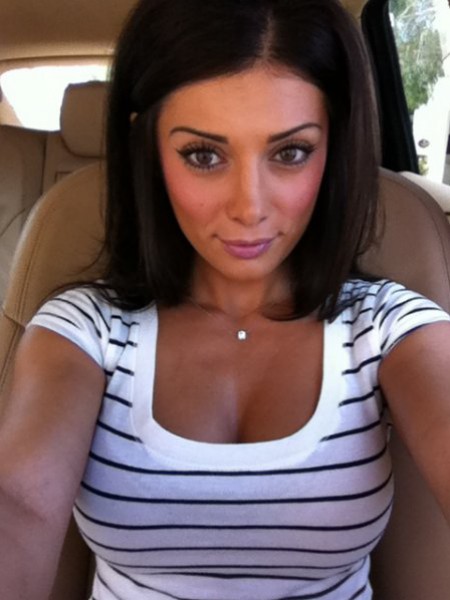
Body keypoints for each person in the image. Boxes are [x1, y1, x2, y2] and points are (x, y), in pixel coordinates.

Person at [1, 0, 450, 599]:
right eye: (203, 155)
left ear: (334, 146)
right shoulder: (83, 330)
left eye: (290, 152)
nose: (249, 207)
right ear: (149, 148)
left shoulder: (390, 327)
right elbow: (19, 502)